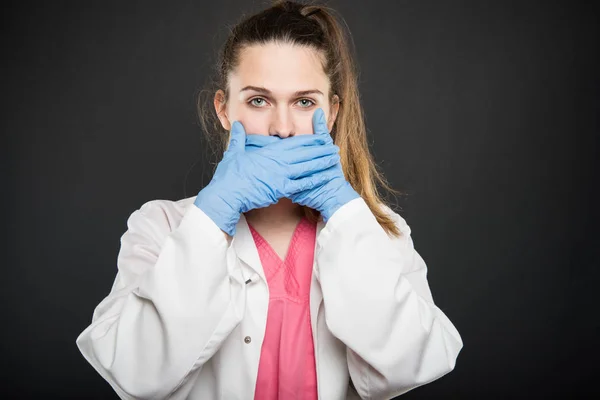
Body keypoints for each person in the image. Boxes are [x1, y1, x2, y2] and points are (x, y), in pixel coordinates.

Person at [75, 1, 464, 399]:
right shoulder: (161, 227)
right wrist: (214, 214)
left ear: (331, 114)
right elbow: (132, 374)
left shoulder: (379, 231)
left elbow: (416, 363)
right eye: (258, 100)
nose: (281, 128)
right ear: (224, 110)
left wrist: (344, 213)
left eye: (304, 102)